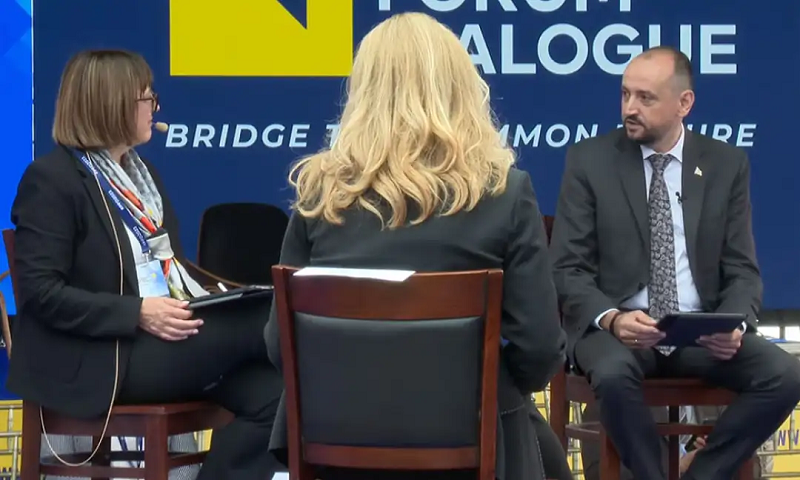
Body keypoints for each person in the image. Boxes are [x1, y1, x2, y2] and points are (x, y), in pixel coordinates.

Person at [263, 12, 571, 480]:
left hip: (340, 445)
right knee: (538, 440)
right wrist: (481, 386)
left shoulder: (320, 194)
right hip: (468, 444)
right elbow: (541, 348)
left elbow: (279, 346)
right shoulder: (504, 193)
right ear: (460, 88)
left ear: (363, 92)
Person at [7, 49, 283, 480]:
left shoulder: (143, 176)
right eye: (147, 98)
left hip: (161, 342)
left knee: (279, 396)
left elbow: (167, 266)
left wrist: (210, 297)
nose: (156, 108)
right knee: (271, 317)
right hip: (103, 357)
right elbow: (41, 294)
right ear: (112, 104)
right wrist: (137, 313)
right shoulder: (52, 180)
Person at [549, 45, 800, 480]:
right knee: (612, 375)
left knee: (785, 375)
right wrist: (612, 319)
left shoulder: (725, 164)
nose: (630, 108)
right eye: (625, 94)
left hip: (698, 335)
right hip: (619, 335)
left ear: (685, 103)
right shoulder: (590, 160)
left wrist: (732, 325)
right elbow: (566, 268)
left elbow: (742, 269)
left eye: (645, 98)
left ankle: (701, 472)